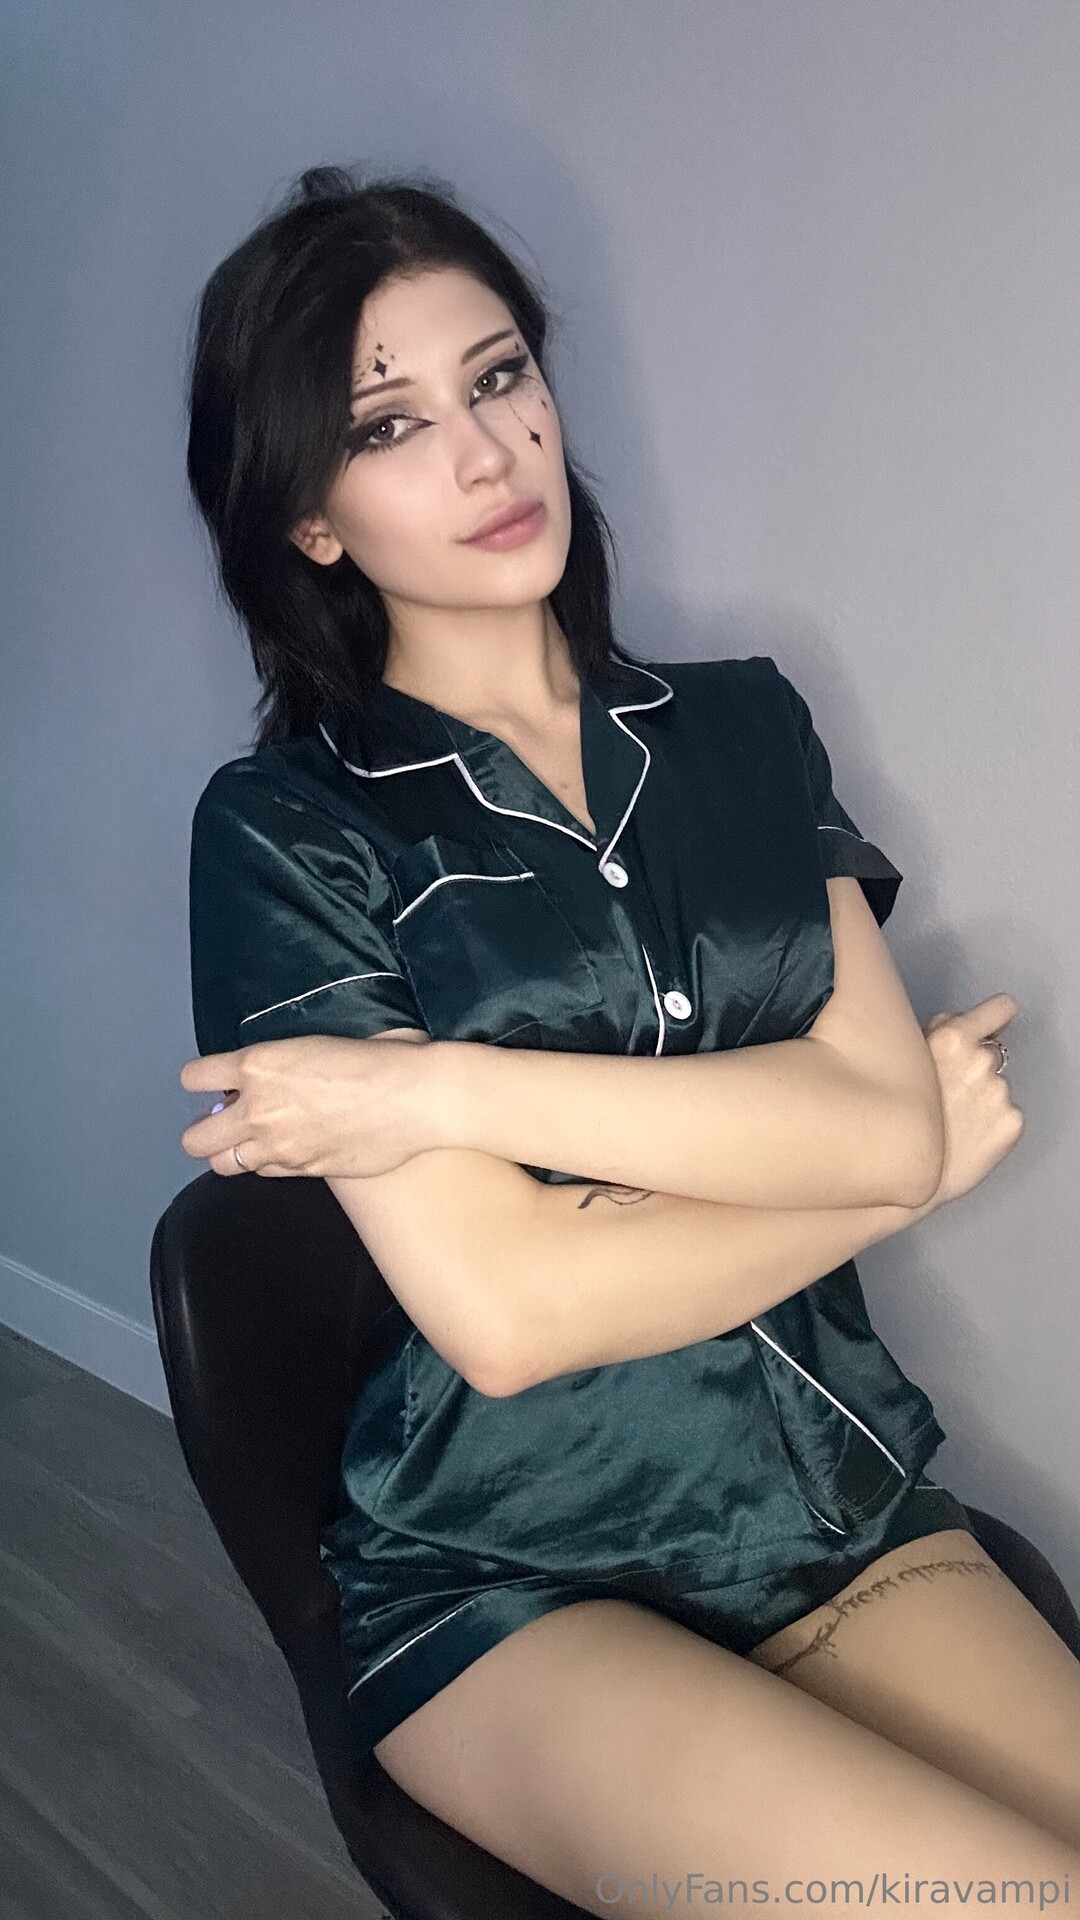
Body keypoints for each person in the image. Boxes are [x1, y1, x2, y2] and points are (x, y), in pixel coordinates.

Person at [179, 164, 1080, 1908]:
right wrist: (895, 1176)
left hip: (833, 1498)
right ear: (310, 519)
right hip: (509, 1576)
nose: (483, 454)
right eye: (389, 425)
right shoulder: (288, 831)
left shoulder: (744, 727)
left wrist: (444, 1087)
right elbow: (515, 1318)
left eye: (499, 376)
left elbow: (875, 1117)